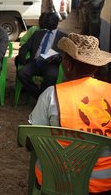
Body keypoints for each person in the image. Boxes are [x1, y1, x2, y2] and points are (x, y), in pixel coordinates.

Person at [29, 33, 111, 194]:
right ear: (95, 66)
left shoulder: (51, 95)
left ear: (68, 65)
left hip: (57, 183)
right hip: (105, 184)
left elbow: (31, 141)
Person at [15, 12, 66, 100]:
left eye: (46, 21)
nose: (42, 23)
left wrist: (57, 57)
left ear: (54, 22)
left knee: (52, 75)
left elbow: (65, 54)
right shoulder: (38, 33)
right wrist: (23, 56)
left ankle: (42, 98)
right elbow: (26, 46)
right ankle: (40, 97)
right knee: (21, 73)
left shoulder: (63, 37)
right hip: (35, 62)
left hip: (51, 64)